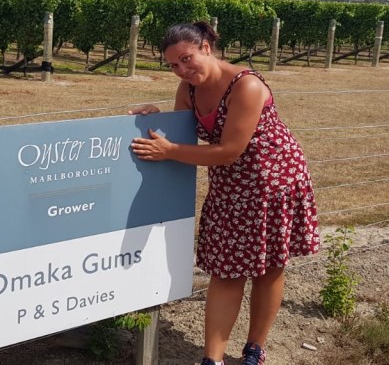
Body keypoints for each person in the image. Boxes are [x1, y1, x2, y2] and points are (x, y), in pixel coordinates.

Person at [129, 21, 320, 365]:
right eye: (173, 65)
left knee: (269, 267)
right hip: (230, 187)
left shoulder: (246, 85)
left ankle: (255, 348)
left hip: (274, 182)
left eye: (186, 59)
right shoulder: (188, 88)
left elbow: (229, 150)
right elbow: (181, 137)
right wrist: (154, 121)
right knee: (227, 271)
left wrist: (170, 150)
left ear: (206, 48)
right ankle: (212, 359)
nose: (182, 70)